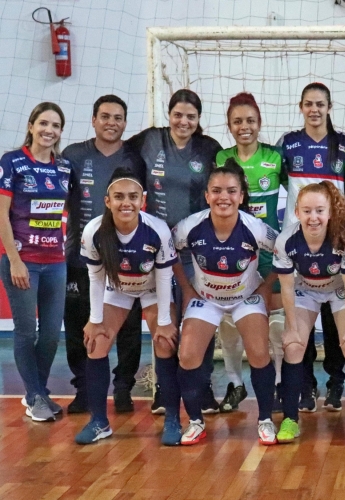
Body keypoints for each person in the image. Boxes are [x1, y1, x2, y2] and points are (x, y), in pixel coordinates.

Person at [169, 161, 279, 445]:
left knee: (258, 353)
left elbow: (283, 251)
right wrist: (186, 288)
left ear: (242, 196)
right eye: (216, 191)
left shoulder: (255, 228)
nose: (223, 197)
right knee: (188, 356)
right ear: (207, 195)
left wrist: (267, 287)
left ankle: (265, 418)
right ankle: (195, 421)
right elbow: (168, 252)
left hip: (246, 298)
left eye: (231, 191)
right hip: (207, 299)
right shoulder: (189, 227)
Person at [129, 89, 223, 414]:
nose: (184, 121)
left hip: (196, 251)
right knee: (163, 321)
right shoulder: (148, 141)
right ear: (169, 115)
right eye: (178, 115)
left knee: (201, 317)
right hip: (156, 252)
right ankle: (163, 388)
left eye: (191, 116)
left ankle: (203, 387)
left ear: (199, 120)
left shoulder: (210, 148)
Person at [75, 168, 177, 444]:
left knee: (165, 343)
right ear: (107, 201)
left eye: (132, 197)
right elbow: (95, 277)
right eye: (118, 197)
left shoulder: (156, 229)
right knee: (95, 343)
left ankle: (173, 420)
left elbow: (166, 276)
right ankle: (99, 422)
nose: (126, 203)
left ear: (142, 200)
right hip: (118, 289)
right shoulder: (94, 230)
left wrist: (165, 320)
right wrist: (95, 319)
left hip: (153, 289)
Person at [63, 95, 147, 415]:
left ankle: (124, 386)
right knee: (79, 325)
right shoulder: (73, 155)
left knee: (127, 325)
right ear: (93, 120)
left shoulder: (135, 158)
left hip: (126, 259)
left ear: (125, 123)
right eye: (105, 116)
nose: (111, 122)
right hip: (79, 259)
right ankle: (84, 389)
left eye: (118, 117)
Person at [276, 82, 345, 413]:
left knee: (336, 319)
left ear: (329, 106)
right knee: (299, 318)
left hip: (333, 239)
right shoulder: (288, 144)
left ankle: (336, 382)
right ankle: (305, 386)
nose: (314, 109)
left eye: (320, 104)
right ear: (300, 106)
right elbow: (281, 180)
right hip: (299, 241)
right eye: (309, 104)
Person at [272, 181, 345, 443]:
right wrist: (291, 326)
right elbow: (287, 289)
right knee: (293, 345)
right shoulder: (287, 240)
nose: (314, 217)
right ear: (297, 213)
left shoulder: (344, 238)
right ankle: (290, 419)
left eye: (320, 211)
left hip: (338, 290)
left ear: (330, 213)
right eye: (307, 211)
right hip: (306, 290)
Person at [0, 102, 71, 422]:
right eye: (43, 123)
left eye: (55, 126)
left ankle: (38, 393)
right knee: (26, 331)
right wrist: (14, 261)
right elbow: (2, 213)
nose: (49, 130)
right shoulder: (12, 162)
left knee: (52, 333)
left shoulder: (64, 167)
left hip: (56, 262)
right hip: (22, 260)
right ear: (31, 125)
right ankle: (34, 396)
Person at [215, 92, 283, 413]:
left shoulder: (275, 157)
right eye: (238, 121)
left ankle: (281, 385)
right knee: (229, 325)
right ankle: (234, 383)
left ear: (259, 123)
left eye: (250, 120)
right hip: (232, 254)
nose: (245, 126)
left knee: (275, 324)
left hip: (268, 254)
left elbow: (298, 192)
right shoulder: (220, 159)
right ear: (229, 125)